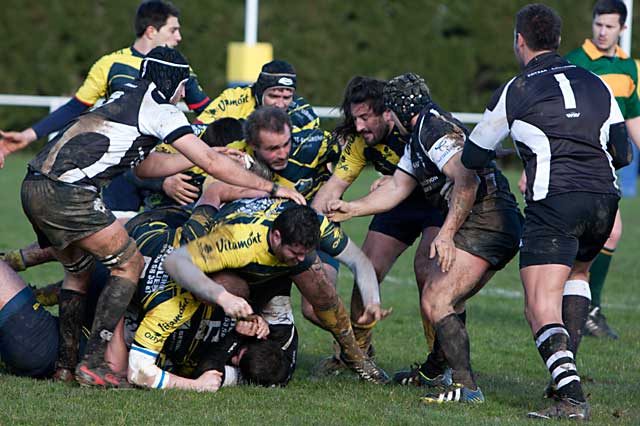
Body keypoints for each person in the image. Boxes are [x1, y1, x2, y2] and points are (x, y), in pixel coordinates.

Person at [17, 46, 304, 388]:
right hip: (69, 194)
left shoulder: (126, 97)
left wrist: (202, 154)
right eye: (184, 85)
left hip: (34, 184)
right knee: (129, 263)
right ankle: (94, 363)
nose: (184, 93)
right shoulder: (163, 110)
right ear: (172, 82)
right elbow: (214, 168)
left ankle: (65, 365)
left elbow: (146, 165)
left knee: (77, 274)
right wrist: (272, 189)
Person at [461, 4, 630, 420]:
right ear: (557, 40)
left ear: (519, 41)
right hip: (604, 201)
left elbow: (472, 154)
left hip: (555, 203)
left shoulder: (515, 89)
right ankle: (564, 380)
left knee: (539, 304)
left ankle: (572, 397)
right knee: (577, 274)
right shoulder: (596, 83)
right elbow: (623, 152)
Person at [326, 73, 523, 403]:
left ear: (400, 110)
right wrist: (352, 208)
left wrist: (446, 234)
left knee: (436, 297)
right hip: (491, 219)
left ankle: (466, 386)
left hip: (489, 218)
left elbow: (467, 180)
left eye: (388, 110)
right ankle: (434, 368)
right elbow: (396, 187)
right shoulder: (417, 134)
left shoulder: (431, 127)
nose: (386, 117)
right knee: (446, 296)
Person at [0, 0, 211, 212]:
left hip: (165, 169)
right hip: (120, 172)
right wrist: (28, 135)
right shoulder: (110, 64)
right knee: (109, 240)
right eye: (173, 30)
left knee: (161, 239)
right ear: (151, 31)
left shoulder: (179, 69)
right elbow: (76, 107)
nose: (179, 37)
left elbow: (209, 114)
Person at [164, 199, 393, 384]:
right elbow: (175, 261)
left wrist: (372, 300)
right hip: (237, 272)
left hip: (274, 263)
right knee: (232, 288)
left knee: (322, 289)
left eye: (307, 251)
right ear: (276, 237)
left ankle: (355, 356)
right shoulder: (238, 239)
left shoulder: (316, 225)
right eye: (296, 252)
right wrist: (222, 297)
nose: (302, 258)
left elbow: (359, 262)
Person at [311, 76, 444, 373]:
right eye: (354, 118)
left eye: (365, 118)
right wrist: (306, 225)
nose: (359, 127)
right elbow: (333, 187)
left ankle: (440, 361)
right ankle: (357, 353)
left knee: (426, 270)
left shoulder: (416, 128)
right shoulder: (360, 143)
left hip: (437, 203)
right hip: (395, 201)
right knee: (367, 267)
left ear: (387, 112)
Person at [564, 0, 640, 339]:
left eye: (609, 26)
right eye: (598, 24)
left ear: (622, 29)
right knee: (600, 232)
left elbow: (632, 118)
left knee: (608, 233)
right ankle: (581, 305)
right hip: (575, 162)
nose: (602, 31)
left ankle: (583, 305)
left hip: (606, 165)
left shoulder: (629, 68)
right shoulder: (574, 63)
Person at [194, 60, 319, 132]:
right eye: (274, 96)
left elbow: (321, 161)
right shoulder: (232, 98)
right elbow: (197, 130)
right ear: (259, 93)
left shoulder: (304, 115)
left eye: (287, 98)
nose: (280, 104)